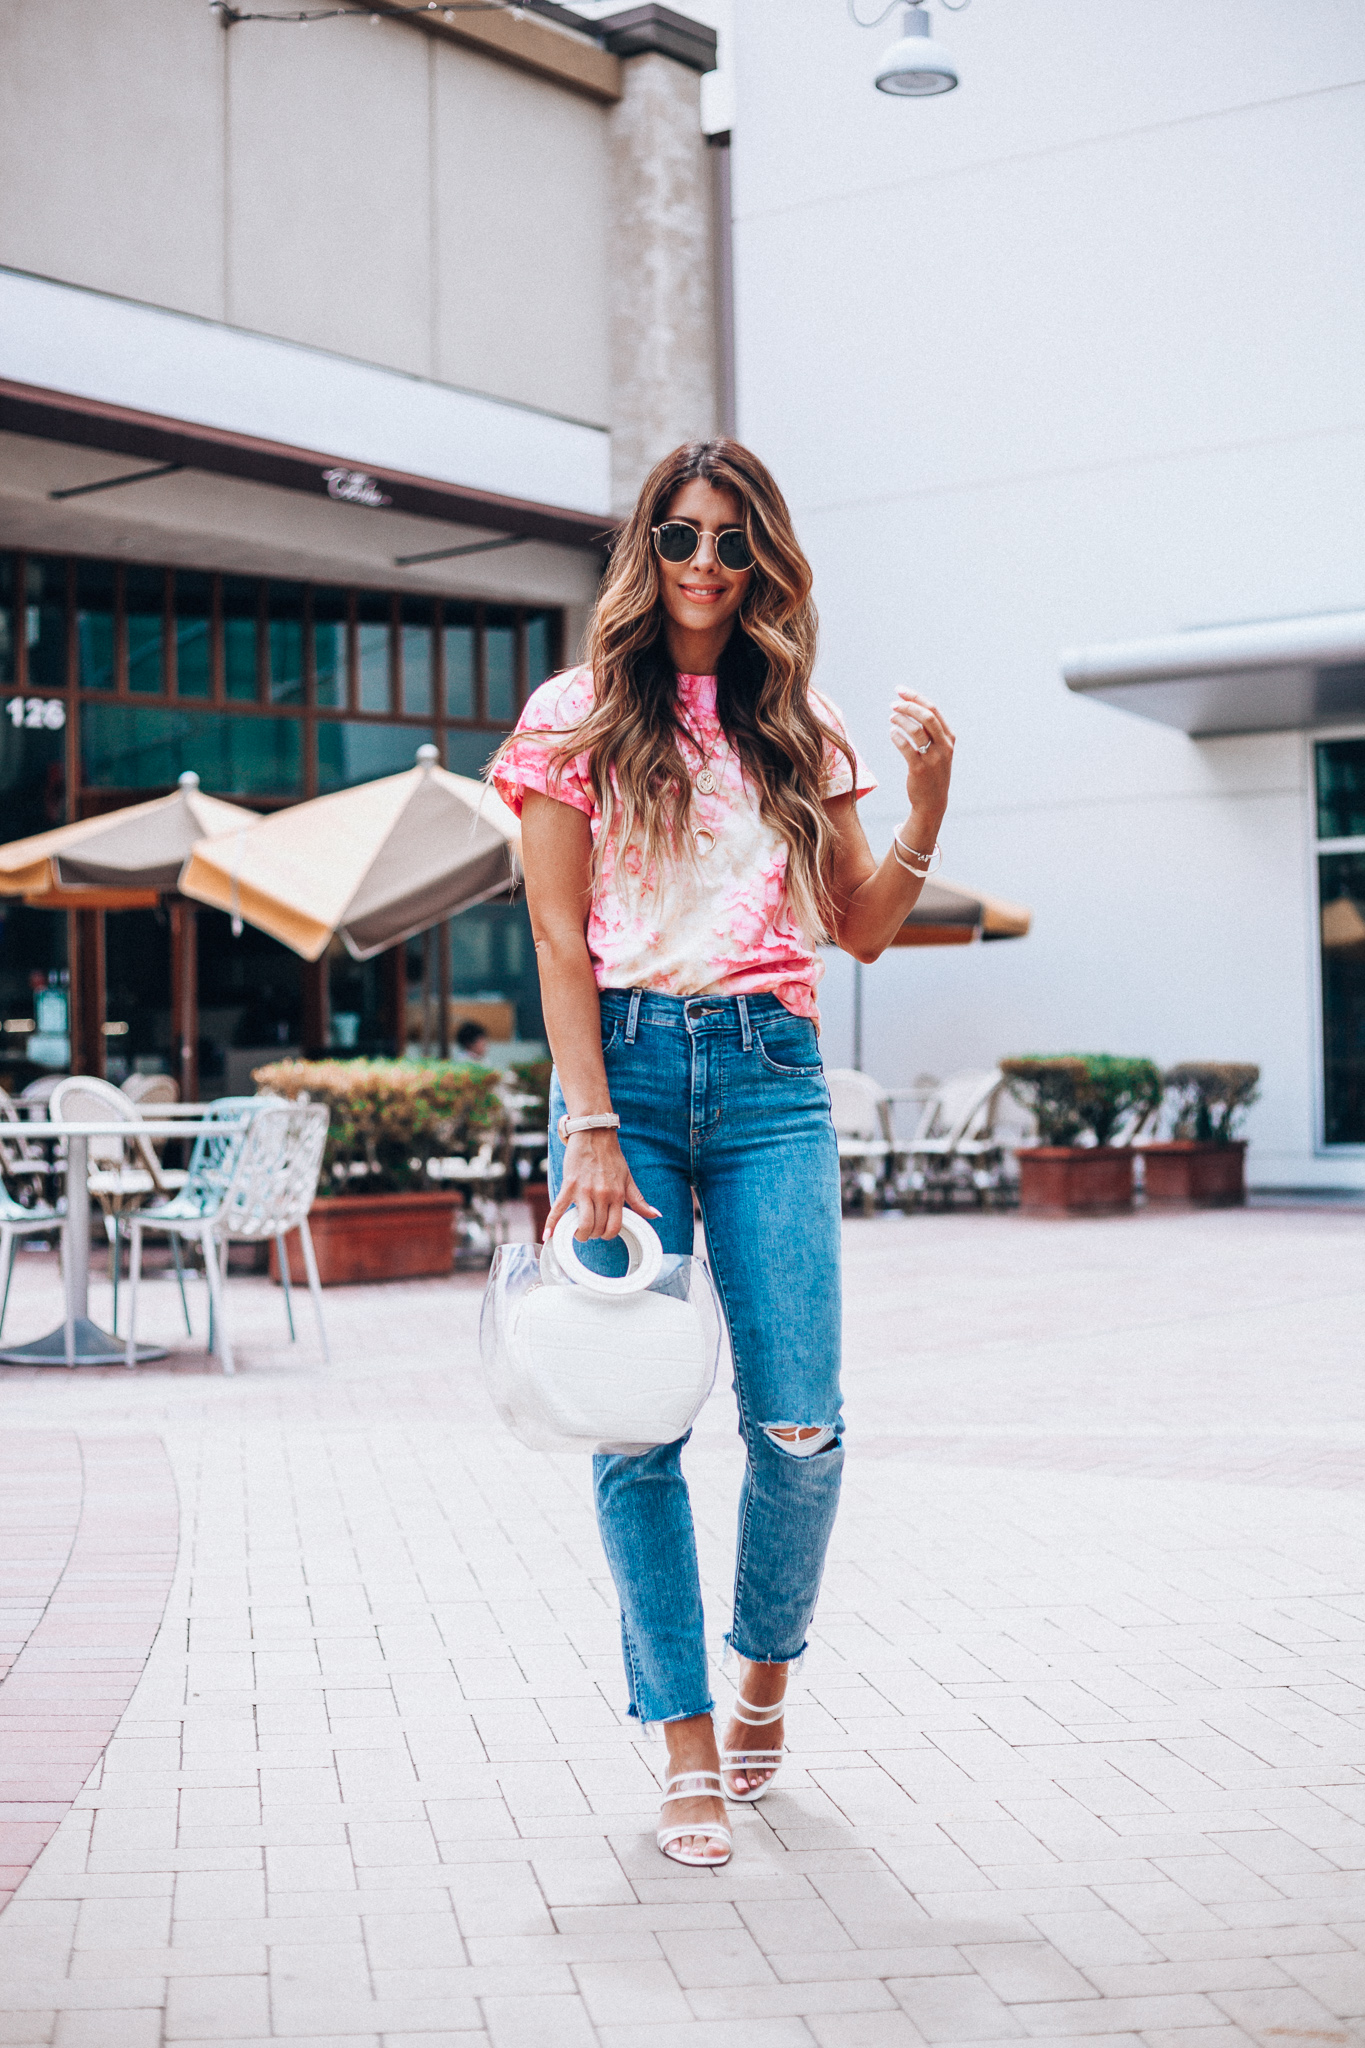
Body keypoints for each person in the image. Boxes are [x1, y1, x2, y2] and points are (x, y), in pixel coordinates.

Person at [490, 438, 954, 1867]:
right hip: (624, 1069)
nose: (704, 564)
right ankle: (683, 1744)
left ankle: (766, 1671)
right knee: (638, 1425)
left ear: (765, 560)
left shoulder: (792, 724)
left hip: (769, 1076)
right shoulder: (573, 713)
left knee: (799, 1426)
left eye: (732, 542)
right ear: (649, 546)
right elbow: (561, 936)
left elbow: (860, 925)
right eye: (681, 537)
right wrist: (588, 1124)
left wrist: (928, 793)